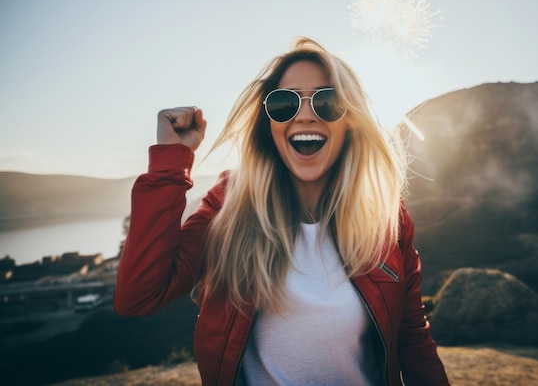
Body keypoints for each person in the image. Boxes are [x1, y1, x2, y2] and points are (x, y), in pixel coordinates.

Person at [114, 37, 450, 385]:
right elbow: (138, 296)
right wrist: (171, 161)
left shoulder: (387, 219)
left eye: (328, 101)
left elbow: (413, 341)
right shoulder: (228, 207)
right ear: (268, 123)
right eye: (285, 103)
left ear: (351, 120)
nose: (304, 114)